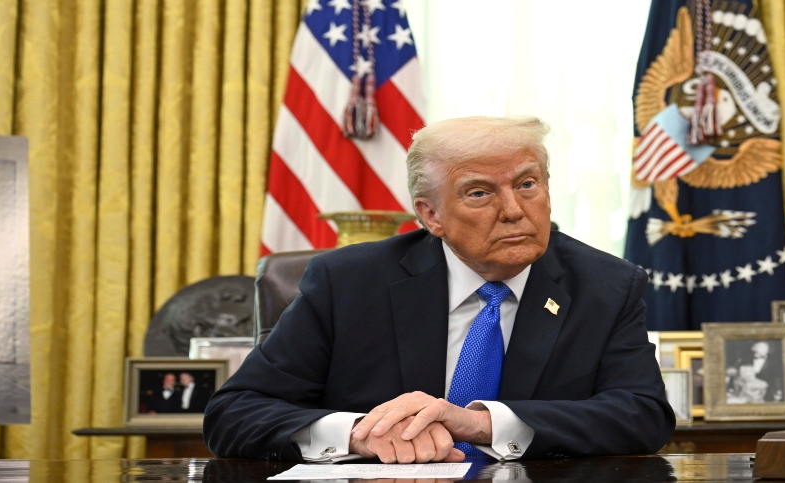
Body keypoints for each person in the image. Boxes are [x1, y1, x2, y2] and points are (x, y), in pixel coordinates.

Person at [204, 116, 674, 462]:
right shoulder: (348, 283)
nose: (514, 210)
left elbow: (642, 414)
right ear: (431, 216)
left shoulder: (605, 285)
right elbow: (234, 413)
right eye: (479, 193)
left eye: (528, 184)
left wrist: (483, 423)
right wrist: (358, 433)